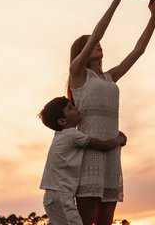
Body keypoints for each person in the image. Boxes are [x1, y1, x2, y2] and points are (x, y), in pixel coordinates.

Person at [68, 0, 155, 225]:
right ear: (82, 52)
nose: (98, 44)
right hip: (90, 152)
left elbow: (138, 51)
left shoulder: (110, 77)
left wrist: (154, 17)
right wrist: (115, 2)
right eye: (90, 44)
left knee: (106, 222)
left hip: (112, 153)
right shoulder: (78, 73)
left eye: (97, 43)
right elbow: (98, 34)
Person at [38, 96, 127, 225]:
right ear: (62, 121)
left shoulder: (60, 137)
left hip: (53, 196)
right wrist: (120, 139)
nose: (76, 108)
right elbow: (104, 145)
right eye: (70, 108)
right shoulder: (72, 135)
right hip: (61, 196)